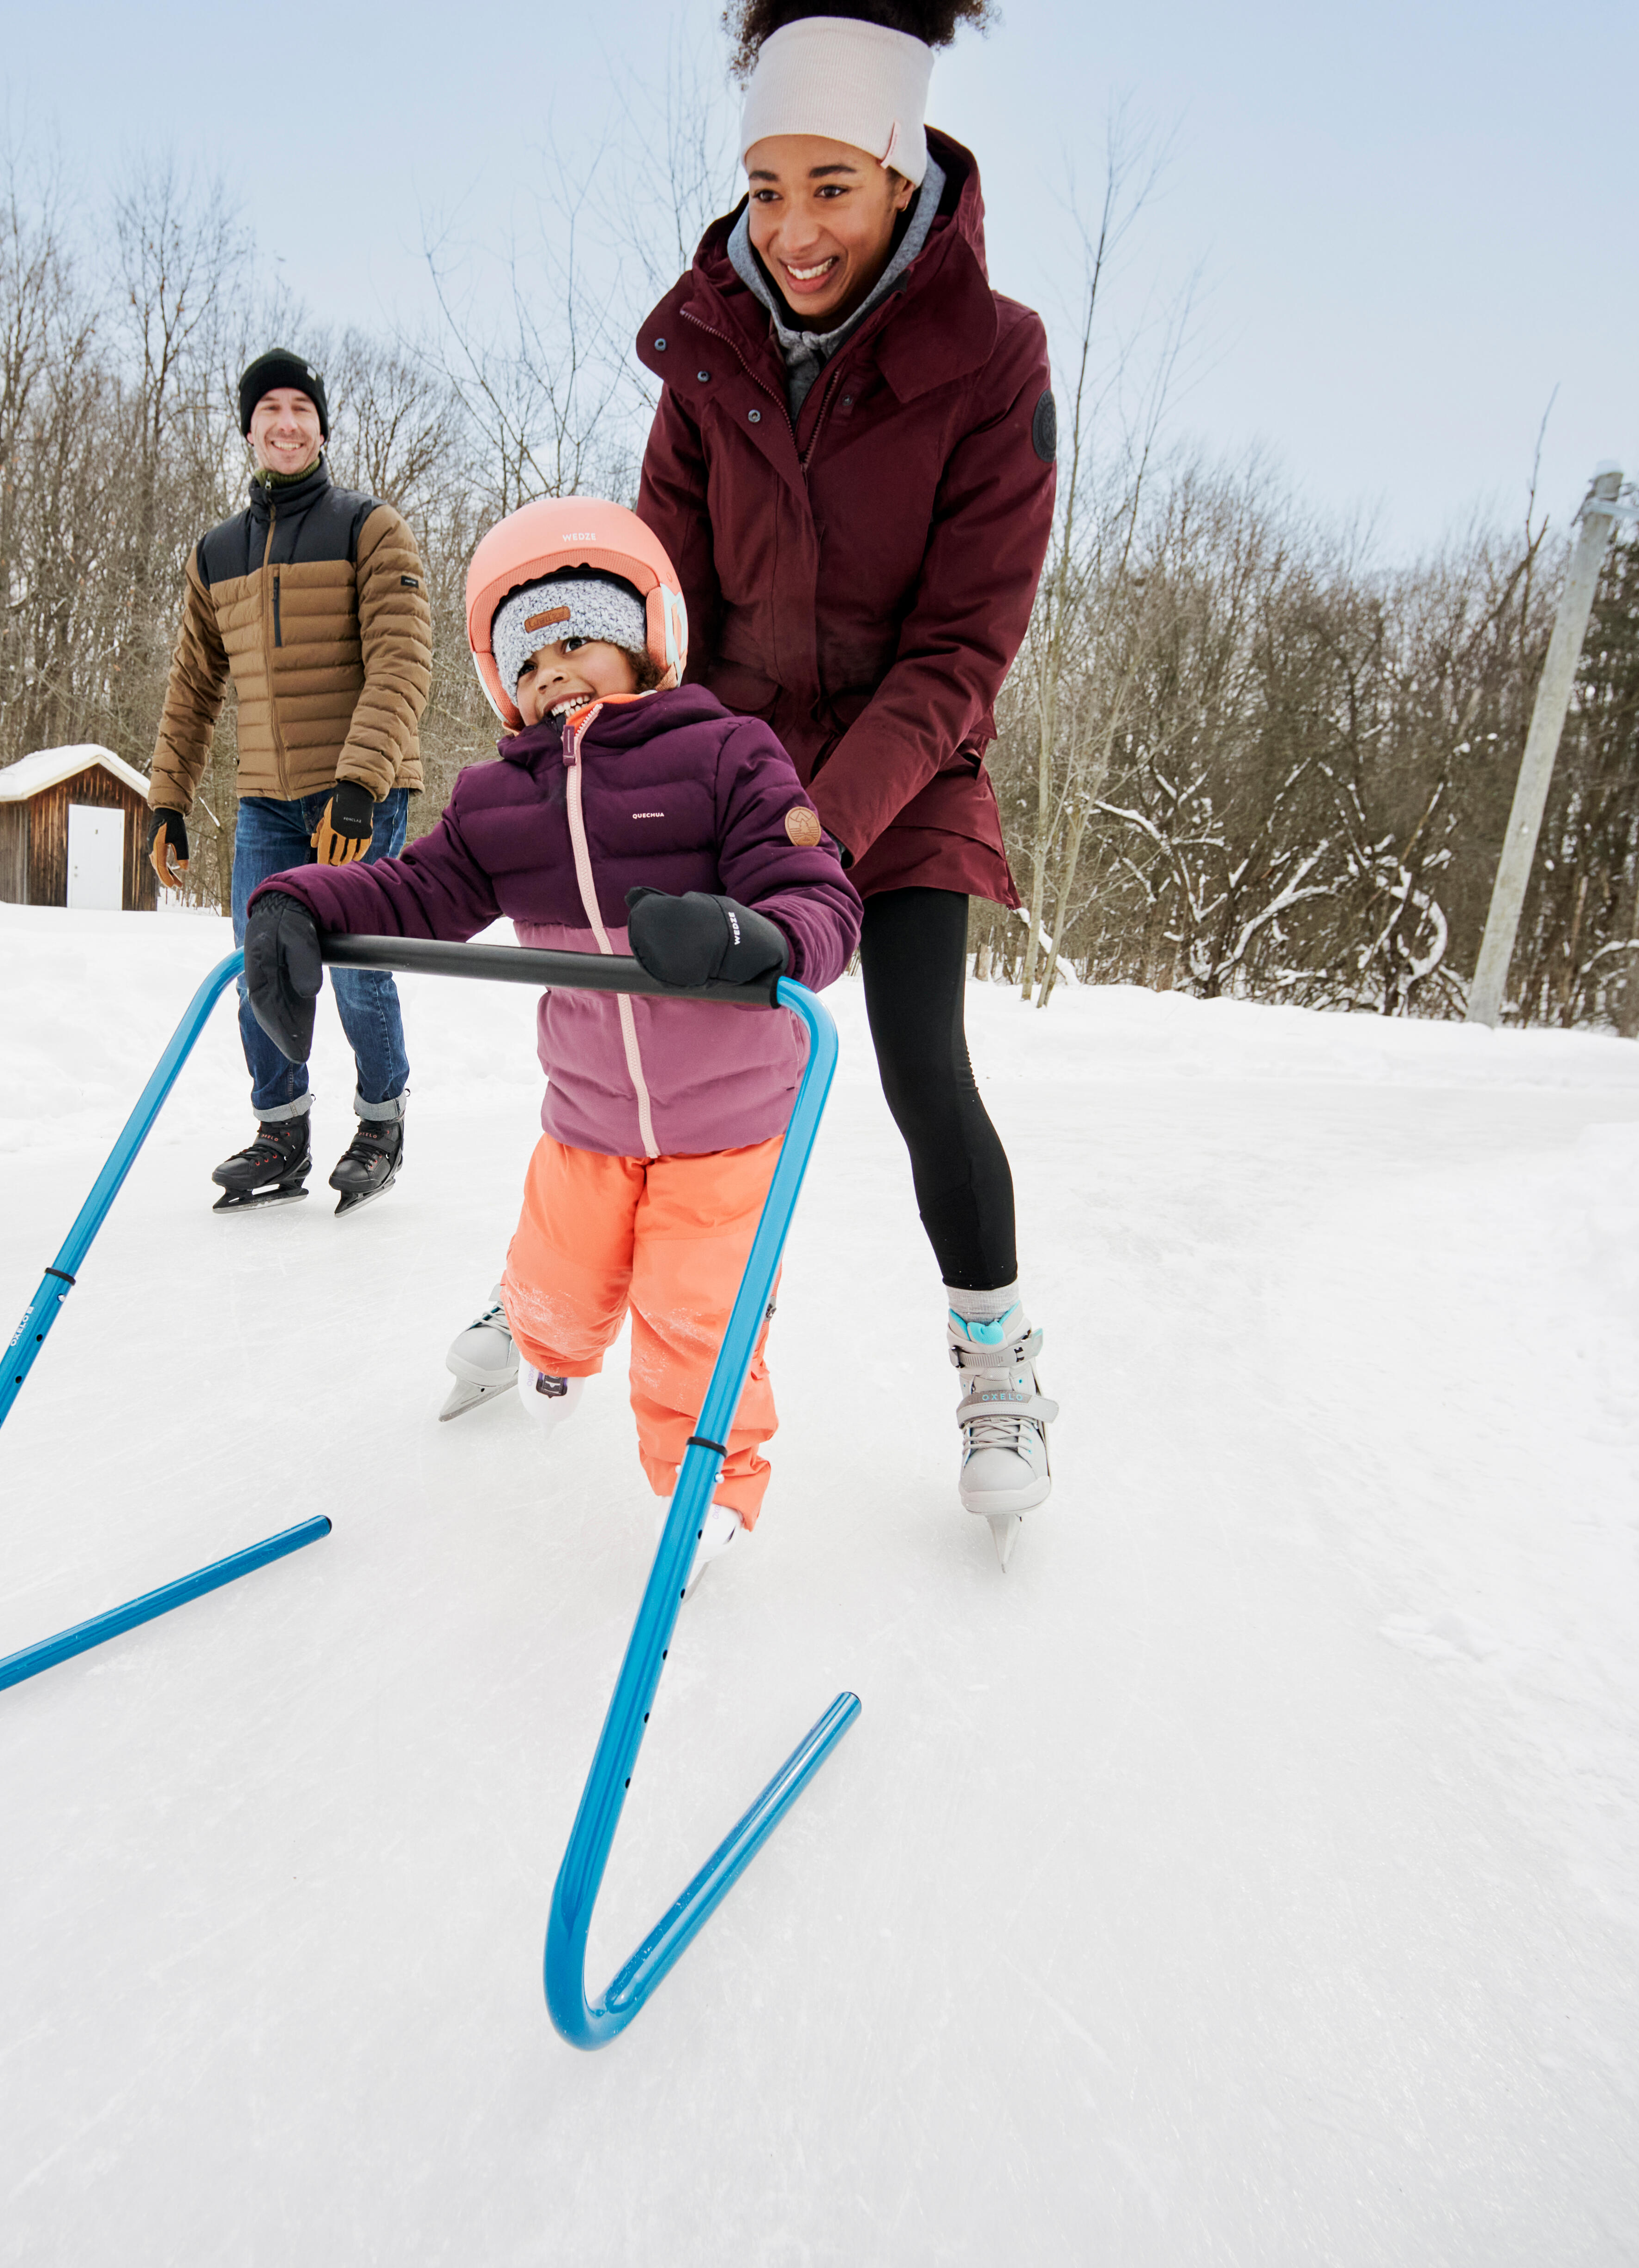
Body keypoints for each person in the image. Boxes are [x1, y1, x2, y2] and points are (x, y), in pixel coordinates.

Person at [626, 0, 1061, 1547]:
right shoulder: (708, 348)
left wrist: (826, 823)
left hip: (913, 768)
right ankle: (559, 1283)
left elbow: (960, 653)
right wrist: (598, 741)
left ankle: (998, 1364)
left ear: (899, 175)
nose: (796, 230)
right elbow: (657, 595)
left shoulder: (994, 363)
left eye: (830, 188)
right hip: (741, 757)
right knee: (645, 1022)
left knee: (915, 1064)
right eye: (766, 190)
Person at [242, 500, 861, 1572]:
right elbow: (414, 888)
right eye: (529, 657)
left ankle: (705, 1488)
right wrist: (300, 900)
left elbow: (817, 892)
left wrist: (749, 933)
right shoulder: (498, 799)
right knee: (556, 1283)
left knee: (695, 1311)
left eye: (578, 638)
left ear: (640, 644)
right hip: (586, 1115)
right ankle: (550, 1356)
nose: (554, 670)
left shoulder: (725, 754)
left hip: (728, 1122)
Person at [145, 348, 434, 1214]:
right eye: (268, 409)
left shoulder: (368, 527)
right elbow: (192, 687)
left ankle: (380, 1120)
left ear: (321, 426)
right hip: (266, 801)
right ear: (248, 430)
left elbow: (403, 660)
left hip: (358, 792)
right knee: (258, 967)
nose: (286, 423)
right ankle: (281, 1131)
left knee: (353, 967)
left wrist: (360, 779)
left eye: (301, 409)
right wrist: (167, 798)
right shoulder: (215, 554)